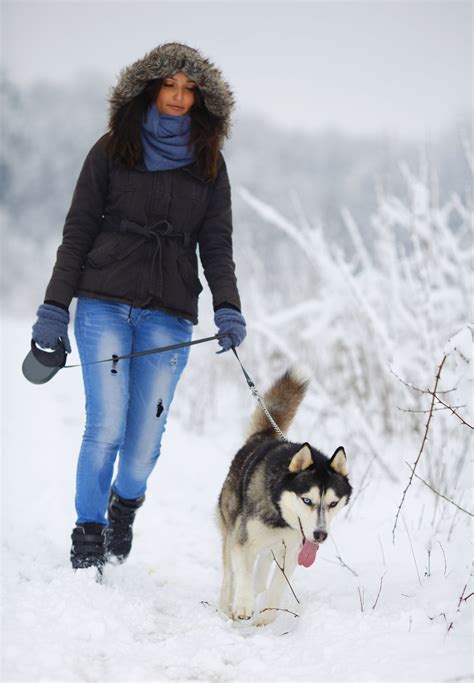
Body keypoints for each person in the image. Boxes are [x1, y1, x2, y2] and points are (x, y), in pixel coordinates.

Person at [31, 42, 246, 575]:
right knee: (104, 424)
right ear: (150, 87)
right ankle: (87, 531)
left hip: (169, 311)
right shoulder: (111, 148)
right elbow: (78, 230)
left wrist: (228, 306)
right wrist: (55, 307)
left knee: (145, 437)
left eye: (188, 89)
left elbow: (216, 245)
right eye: (169, 85)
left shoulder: (209, 164)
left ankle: (123, 506)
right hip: (102, 302)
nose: (177, 97)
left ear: (202, 99)